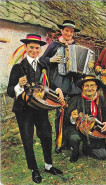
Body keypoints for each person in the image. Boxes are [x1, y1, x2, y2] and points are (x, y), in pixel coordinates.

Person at [7, 34, 63, 184]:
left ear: (40, 49)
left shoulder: (43, 65)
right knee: (27, 139)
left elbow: (50, 84)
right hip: (23, 109)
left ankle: (48, 165)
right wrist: (19, 85)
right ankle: (34, 169)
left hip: (40, 107)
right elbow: (10, 91)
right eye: (31, 47)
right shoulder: (18, 67)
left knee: (46, 133)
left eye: (37, 48)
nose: (34, 50)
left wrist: (57, 90)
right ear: (25, 48)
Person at [40, 20, 83, 153]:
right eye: (66, 30)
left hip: (73, 85)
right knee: (60, 113)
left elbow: (80, 67)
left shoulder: (75, 47)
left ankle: (70, 139)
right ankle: (59, 142)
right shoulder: (54, 45)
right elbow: (42, 60)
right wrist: (51, 60)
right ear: (62, 31)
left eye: (71, 31)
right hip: (58, 84)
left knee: (71, 113)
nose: (69, 33)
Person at [63, 75, 106, 163]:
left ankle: (86, 148)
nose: (89, 88)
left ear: (96, 86)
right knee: (74, 138)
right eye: (87, 86)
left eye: (92, 85)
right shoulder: (75, 99)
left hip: (94, 131)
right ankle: (75, 152)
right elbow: (66, 119)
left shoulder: (100, 99)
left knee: (102, 155)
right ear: (82, 87)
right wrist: (72, 117)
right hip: (77, 130)